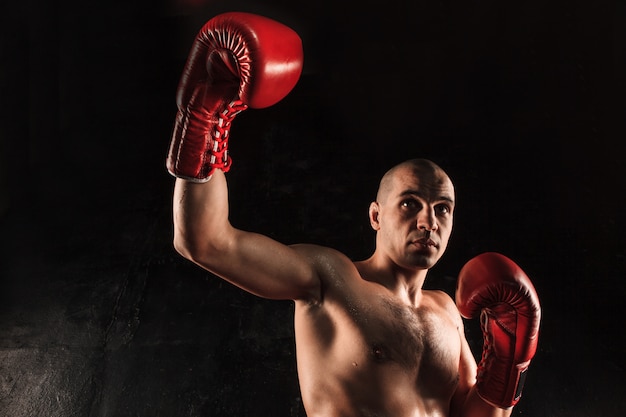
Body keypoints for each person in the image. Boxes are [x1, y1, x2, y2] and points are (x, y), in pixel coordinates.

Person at [166, 12, 541, 417]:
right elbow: (205, 241)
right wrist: (204, 118)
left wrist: (508, 364)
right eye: (410, 203)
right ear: (376, 216)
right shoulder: (331, 279)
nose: (427, 221)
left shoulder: (446, 312)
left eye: (442, 209)